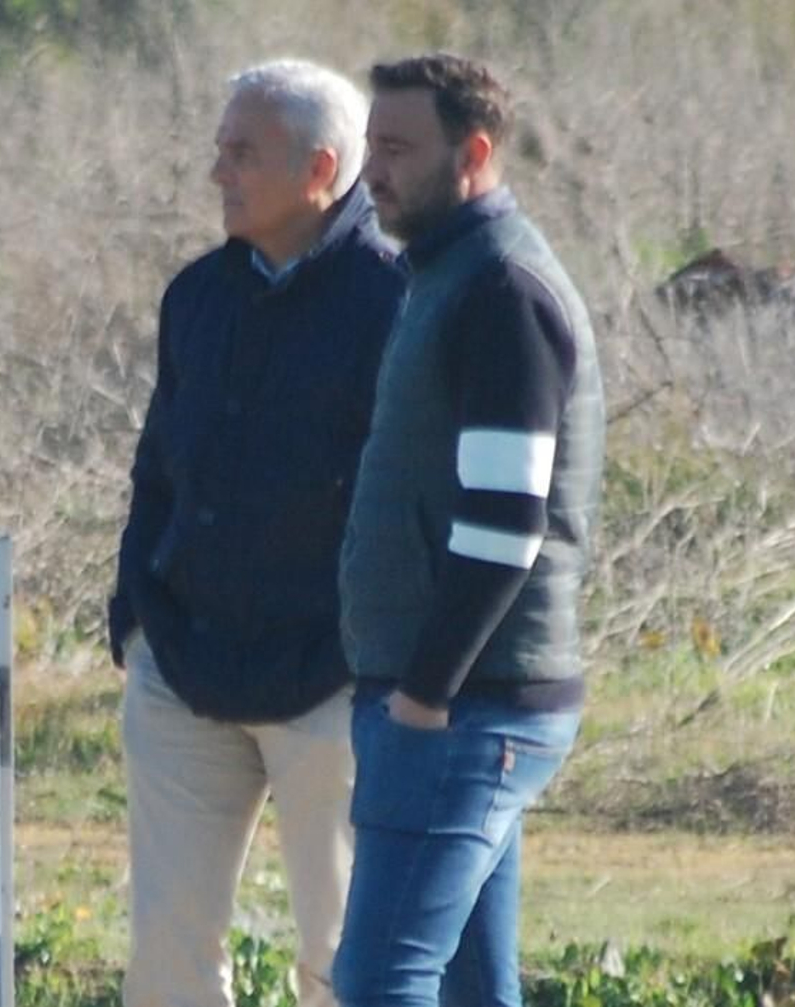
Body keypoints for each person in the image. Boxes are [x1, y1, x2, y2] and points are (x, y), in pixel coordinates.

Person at [107, 58, 405, 1007]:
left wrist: (385, 656)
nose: (219, 173)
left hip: (334, 682)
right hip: (182, 670)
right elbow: (156, 469)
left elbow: (412, 501)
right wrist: (136, 617)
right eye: (219, 150)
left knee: (343, 955)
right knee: (167, 958)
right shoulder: (196, 295)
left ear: (322, 171)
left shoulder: (399, 299)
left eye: (244, 154)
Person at [332, 53, 605, 1007]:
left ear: (474, 152)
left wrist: (421, 694)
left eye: (400, 148)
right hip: (461, 700)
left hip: (465, 705)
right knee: (472, 987)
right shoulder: (448, 275)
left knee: (378, 978)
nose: (376, 170)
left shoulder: (499, 292)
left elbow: (504, 524)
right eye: (372, 145)